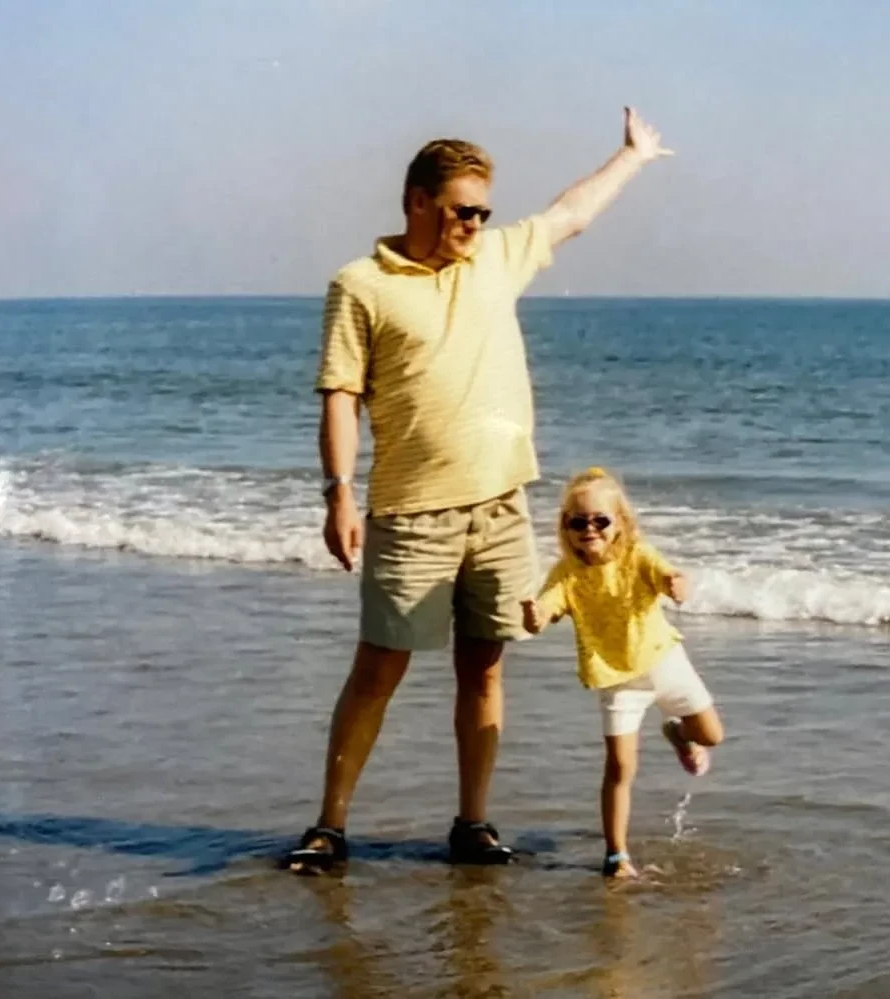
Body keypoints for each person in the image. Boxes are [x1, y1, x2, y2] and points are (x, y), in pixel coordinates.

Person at [288, 108, 673, 875]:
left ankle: (472, 822)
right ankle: (329, 824)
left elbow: (570, 214)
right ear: (417, 200)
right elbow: (340, 395)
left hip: (500, 508)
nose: (474, 224)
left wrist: (632, 156)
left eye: (483, 213)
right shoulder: (360, 285)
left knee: (485, 666)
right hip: (411, 513)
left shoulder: (496, 258)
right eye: (462, 210)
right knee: (379, 668)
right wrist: (338, 493)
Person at [521, 467, 724, 879]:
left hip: (665, 662)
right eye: (578, 522)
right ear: (565, 526)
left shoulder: (638, 555)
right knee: (619, 767)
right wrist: (534, 615)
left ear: (621, 523)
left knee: (711, 736)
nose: (589, 530)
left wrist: (676, 585)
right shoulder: (566, 572)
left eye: (600, 521)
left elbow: (668, 575)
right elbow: (546, 609)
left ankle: (679, 734)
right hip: (617, 681)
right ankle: (616, 855)